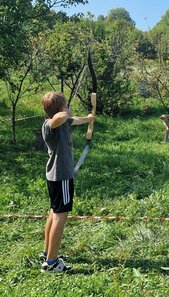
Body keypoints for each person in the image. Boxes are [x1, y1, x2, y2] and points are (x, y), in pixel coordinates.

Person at [40, 92, 95, 273]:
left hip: (57, 176)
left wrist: (89, 119)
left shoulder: (63, 123)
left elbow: (74, 120)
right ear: (59, 109)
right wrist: (66, 111)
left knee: (54, 213)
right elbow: (62, 117)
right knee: (60, 216)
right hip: (61, 176)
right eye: (64, 106)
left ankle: (47, 252)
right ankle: (52, 263)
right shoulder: (50, 125)